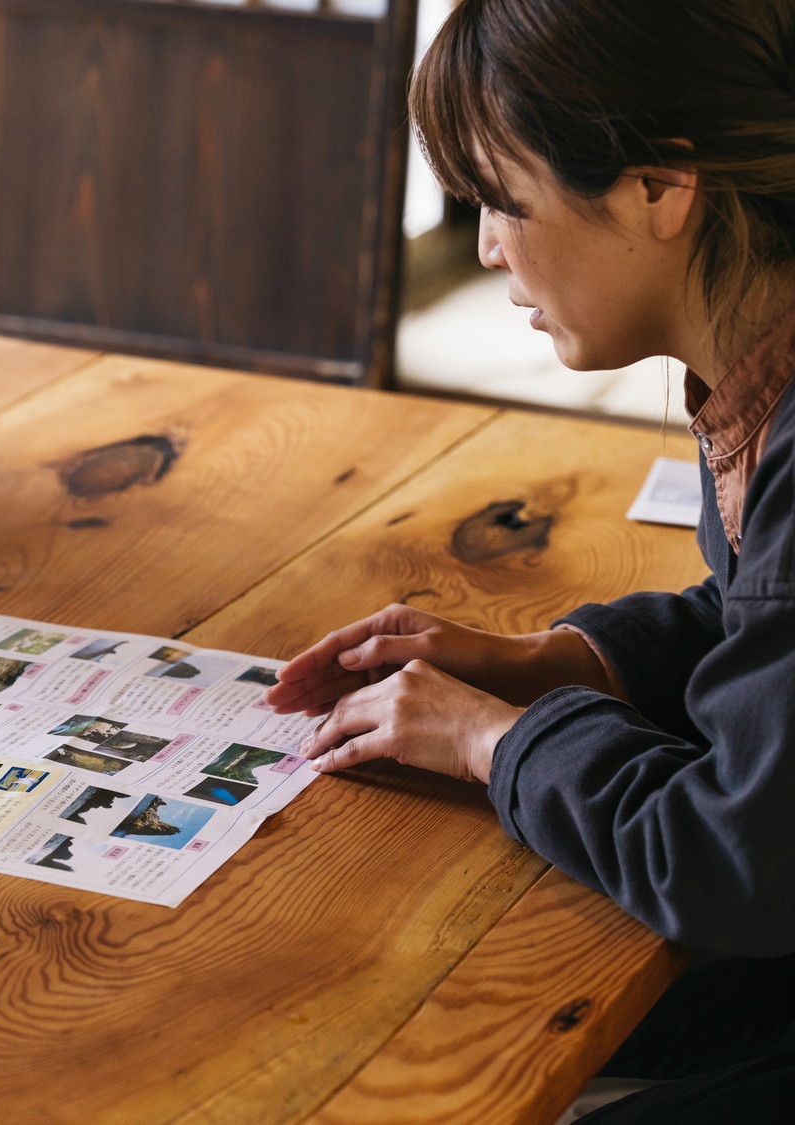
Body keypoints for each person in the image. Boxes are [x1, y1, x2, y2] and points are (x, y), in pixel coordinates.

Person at [265, 1, 795, 1118]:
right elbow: (761, 623)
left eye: (502, 199)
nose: (488, 247)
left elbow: (729, 859)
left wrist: (487, 737)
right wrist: (550, 659)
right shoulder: (759, 357)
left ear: (659, 186)